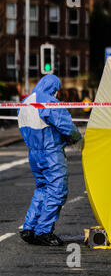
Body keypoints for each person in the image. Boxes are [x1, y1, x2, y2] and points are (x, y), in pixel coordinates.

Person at [18, 75, 82, 246]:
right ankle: (44, 231)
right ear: (54, 88)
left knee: (42, 189)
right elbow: (64, 124)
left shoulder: (24, 103)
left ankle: (29, 227)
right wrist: (76, 138)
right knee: (57, 190)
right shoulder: (48, 101)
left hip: (34, 153)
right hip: (50, 153)